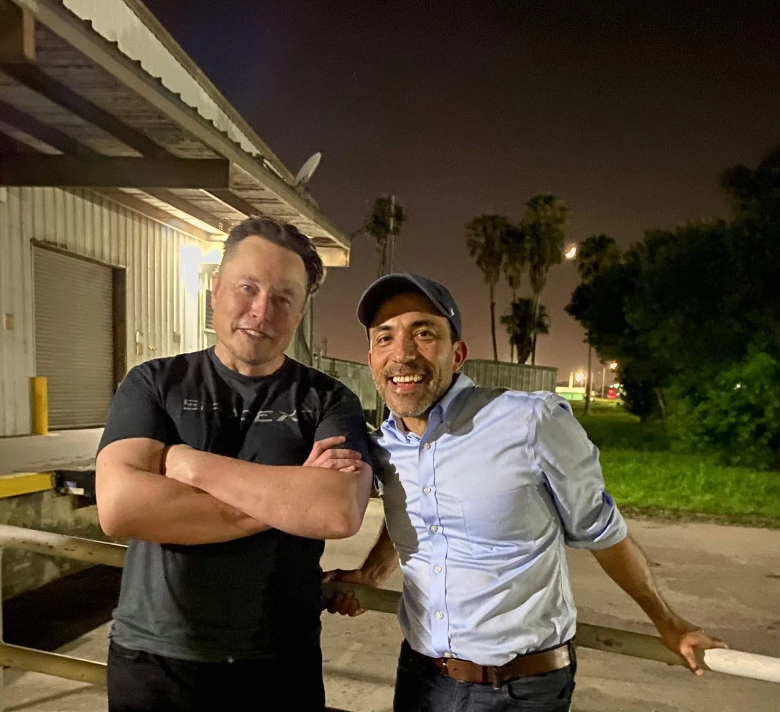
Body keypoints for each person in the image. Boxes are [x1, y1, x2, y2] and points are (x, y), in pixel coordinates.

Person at [325, 273, 724, 712]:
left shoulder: (532, 423)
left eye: (424, 334)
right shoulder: (386, 446)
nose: (402, 354)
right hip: (421, 680)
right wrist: (371, 574)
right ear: (372, 360)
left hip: (520, 692)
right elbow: (411, 508)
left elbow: (603, 534)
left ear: (457, 354)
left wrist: (668, 622)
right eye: (385, 338)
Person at [96, 217, 373, 712]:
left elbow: (337, 511)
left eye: (283, 298)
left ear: (301, 312)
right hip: (156, 661)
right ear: (216, 288)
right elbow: (120, 508)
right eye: (248, 288)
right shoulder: (154, 383)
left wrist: (189, 465)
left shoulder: (329, 400)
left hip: (279, 663)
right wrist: (292, 499)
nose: (261, 310)